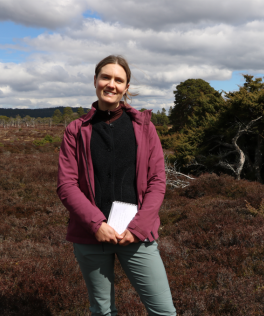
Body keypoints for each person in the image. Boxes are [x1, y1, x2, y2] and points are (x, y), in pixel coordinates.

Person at [57, 55, 176, 316]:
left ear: (126, 87)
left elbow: (157, 181)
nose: (111, 84)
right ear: (96, 81)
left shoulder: (144, 127)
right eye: (106, 77)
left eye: (118, 80)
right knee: (102, 311)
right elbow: (66, 184)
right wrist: (96, 225)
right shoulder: (76, 130)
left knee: (164, 312)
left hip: (137, 235)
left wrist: (139, 227)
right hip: (92, 237)